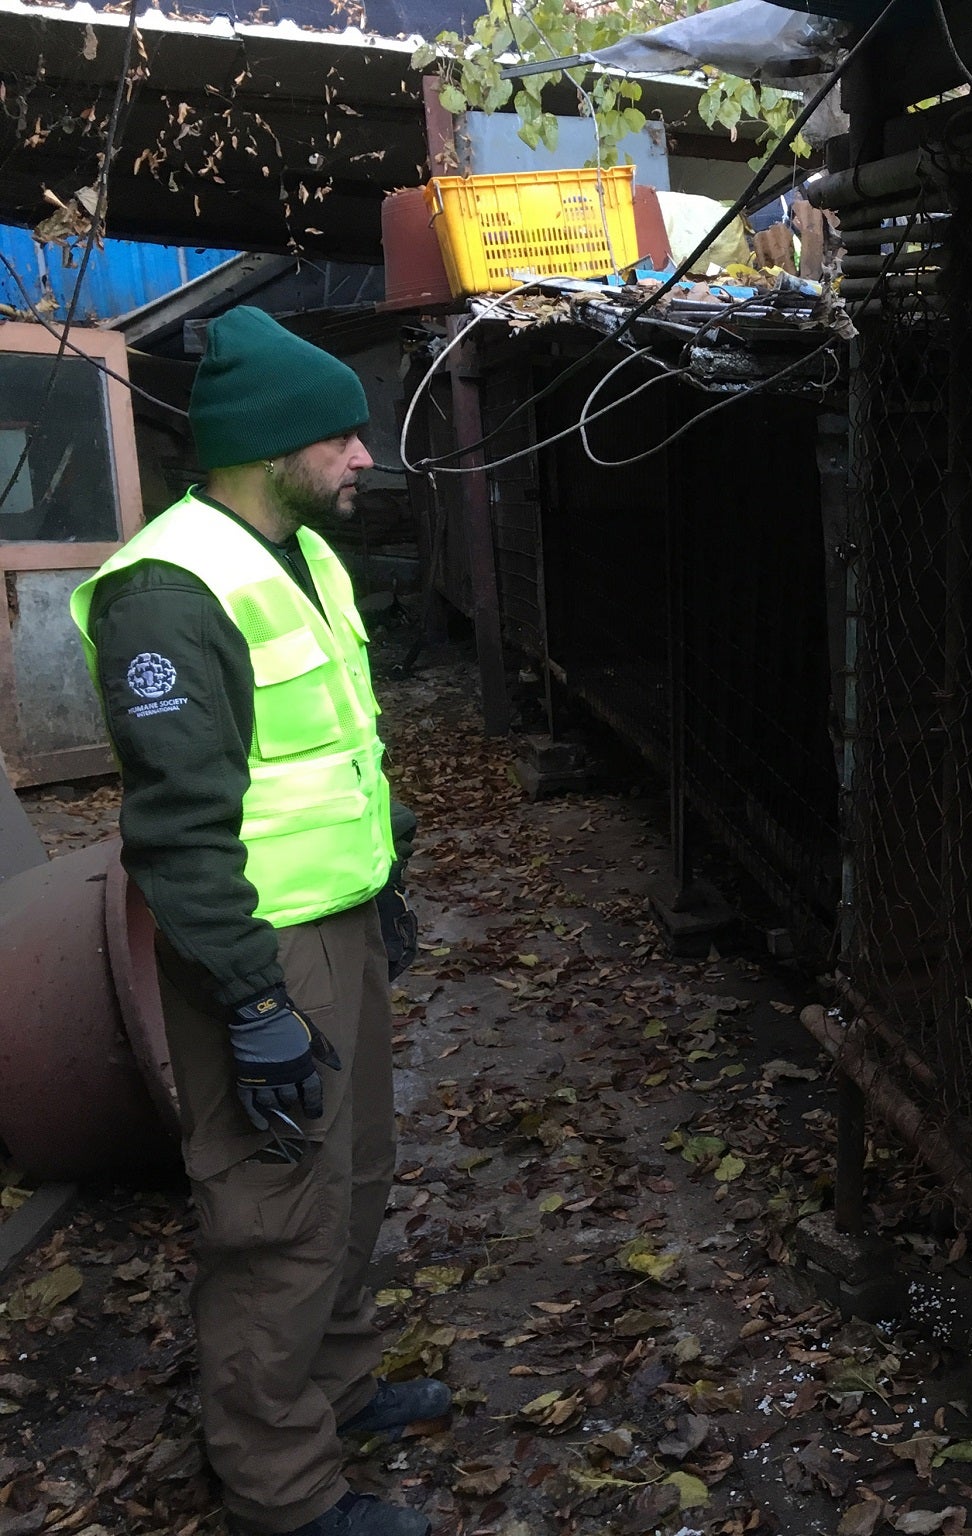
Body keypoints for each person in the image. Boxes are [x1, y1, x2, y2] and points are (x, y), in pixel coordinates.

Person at [71, 307, 441, 1536]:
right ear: (269, 443)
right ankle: (283, 1491)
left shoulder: (304, 556)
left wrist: (379, 889)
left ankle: (331, 1389)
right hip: (255, 949)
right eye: (339, 436)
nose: (361, 456)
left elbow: (337, 748)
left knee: (356, 1169)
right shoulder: (167, 596)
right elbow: (177, 830)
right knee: (273, 1212)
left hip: (333, 923)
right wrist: (253, 1000)